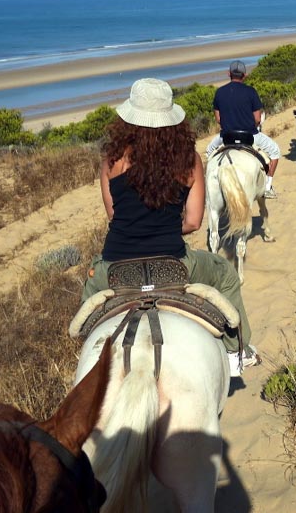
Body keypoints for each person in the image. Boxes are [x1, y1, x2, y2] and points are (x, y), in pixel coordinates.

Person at [81, 77, 259, 376]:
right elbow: (193, 221)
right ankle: (235, 352)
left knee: (87, 310)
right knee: (225, 274)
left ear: (128, 119)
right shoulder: (188, 159)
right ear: (171, 120)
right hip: (174, 262)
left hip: (116, 264)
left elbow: (114, 216)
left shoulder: (112, 160)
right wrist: (163, 230)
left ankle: (89, 365)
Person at [205, 60, 281, 199]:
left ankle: (209, 186)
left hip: (226, 136)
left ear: (229, 74)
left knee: (209, 152)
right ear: (244, 75)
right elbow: (257, 119)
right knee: (275, 151)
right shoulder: (251, 92)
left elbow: (218, 119)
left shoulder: (220, 92)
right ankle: (267, 187)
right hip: (250, 135)